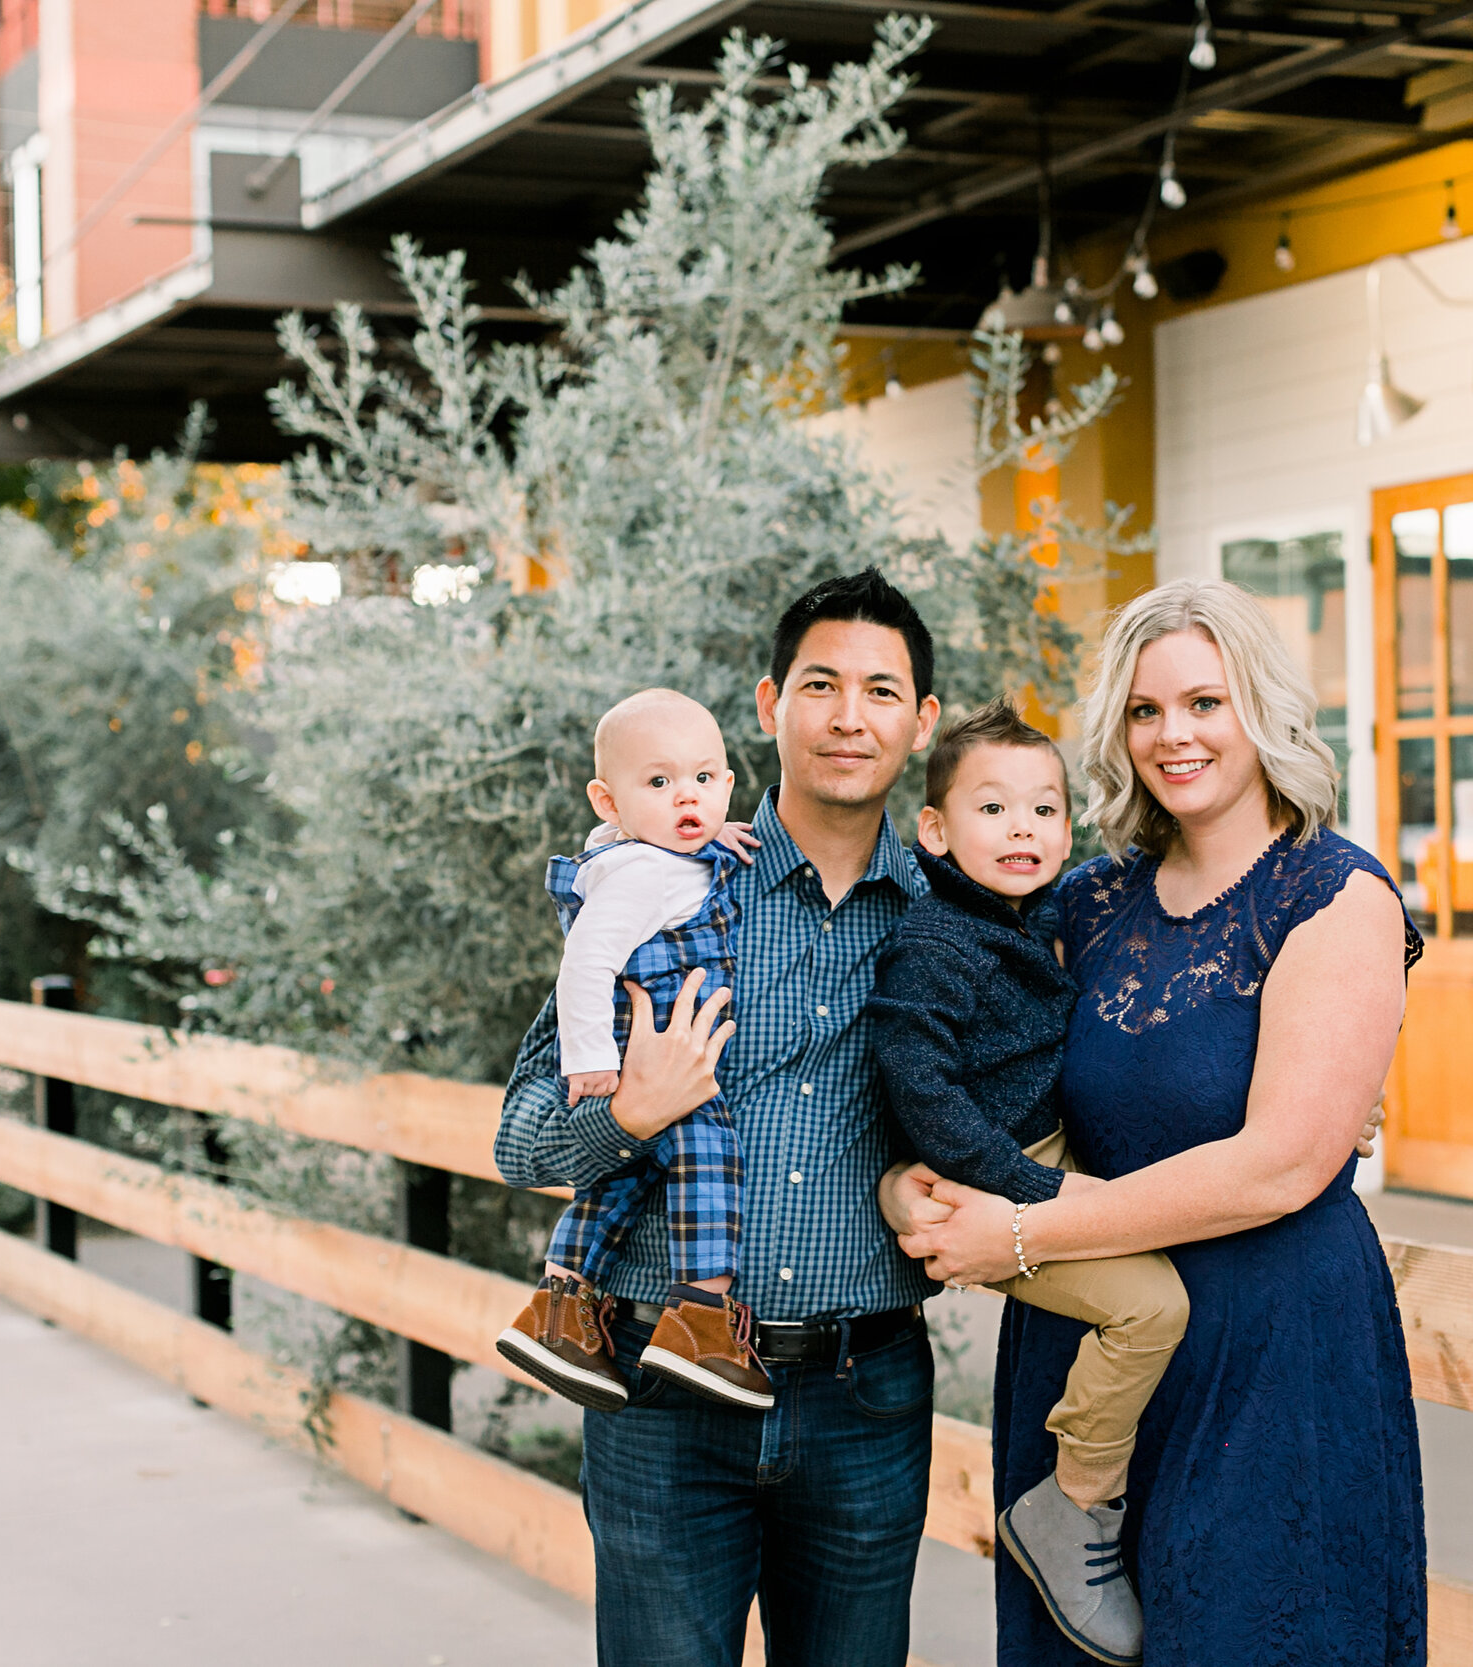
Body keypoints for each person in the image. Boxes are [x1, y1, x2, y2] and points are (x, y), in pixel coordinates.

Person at [888, 579, 1430, 1667]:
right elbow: (966, 1043)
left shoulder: (1335, 893)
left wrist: (1021, 1232)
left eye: (1203, 702)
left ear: (1261, 708)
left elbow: (1280, 1164)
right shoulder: (1083, 900)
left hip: (1270, 1355)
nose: (1172, 734)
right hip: (1096, 1355)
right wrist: (907, 1178)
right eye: (1145, 710)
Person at [494, 568, 944, 1667]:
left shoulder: (945, 918)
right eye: (820, 684)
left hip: (864, 1394)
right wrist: (628, 1111)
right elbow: (519, 1140)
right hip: (661, 1392)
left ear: (922, 720)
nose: (849, 716)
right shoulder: (668, 883)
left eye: (882, 691)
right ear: (769, 705)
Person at [865, 698, 1188, 1667]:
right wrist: (1029, 1194)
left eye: (1044, 809)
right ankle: (1073, 1500)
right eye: (994, 807)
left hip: (1042, 1161)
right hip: (990, 1185)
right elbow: (919, 1085)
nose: (1023, 829)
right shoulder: (935, 943)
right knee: (1152, 1307)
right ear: (935, 830)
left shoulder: (1035, 910)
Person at [497, 689, 773, 1413]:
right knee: (709, 1155)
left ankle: (561, 1304)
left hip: (650, 1064)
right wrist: (590, 1059)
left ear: (728, 784)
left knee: (620, 1182)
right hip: (659, 1060)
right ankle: (702, 1316)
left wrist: (707, 833)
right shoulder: (644, 873)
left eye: (704, 779)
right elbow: (585, 961)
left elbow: (676, 848)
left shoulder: (652, 855)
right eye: (659, 781)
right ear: (608, 800)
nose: (687, 795)